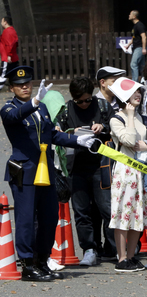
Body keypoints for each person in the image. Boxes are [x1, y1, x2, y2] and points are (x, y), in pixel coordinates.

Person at [1, 67, 95, 281]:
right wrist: (33, 103)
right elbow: (16, 116)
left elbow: (52, 134)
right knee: (26, 219)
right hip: (24, 171)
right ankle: (27, 263)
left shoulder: (42, 107)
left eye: (27, 83)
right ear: (12, 88)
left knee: (49, 216)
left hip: (45, 170)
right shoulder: (9, 108)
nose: (25, 87)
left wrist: (78, 141)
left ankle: (42, 261)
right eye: (19, 85)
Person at [56, 76, 116, 266]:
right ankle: (89, 249)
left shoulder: (103, 107)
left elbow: (116, 127)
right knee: (82, 211)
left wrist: (103, 127)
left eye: (87, 99)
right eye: (79, 101)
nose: (84, 104)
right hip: (76, 166)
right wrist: (64, 132)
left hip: (101, 164)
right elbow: (56, 131)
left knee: (107, 208)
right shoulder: (66, 110)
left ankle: (112, 247)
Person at [107, 77, 147, 272]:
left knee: (139, 213)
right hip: (125, 171)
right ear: (124, 96)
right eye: (133, 92)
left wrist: (145, 144)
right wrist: (129, 116)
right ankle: (121, 258)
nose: (138, 95)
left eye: (139, 91)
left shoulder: (144, 118)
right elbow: (129, 140)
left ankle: (131, 256)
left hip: (143, 170)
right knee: (123, 214)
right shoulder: (116, 118)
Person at [127, 10, 147, 82]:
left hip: (139, 47)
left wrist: (144, 48)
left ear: (134, 16)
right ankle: (145, 80)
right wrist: (128, 45)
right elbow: (134, 37)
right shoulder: (135, 26)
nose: (129, 15)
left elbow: (144, 36)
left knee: (133, 64)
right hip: (136, 47)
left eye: (130, 14)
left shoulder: (139, 25)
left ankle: (135, 81)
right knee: (142, 66)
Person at [0, 16, 19, 89]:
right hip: (13, 57)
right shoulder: (12, 30)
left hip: (7, 57)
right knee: (13, 75)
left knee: (3, 75)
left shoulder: (7, 31)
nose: (1, 23)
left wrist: (9, 55)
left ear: (5, 22)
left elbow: (9, 44)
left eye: (2, 21)